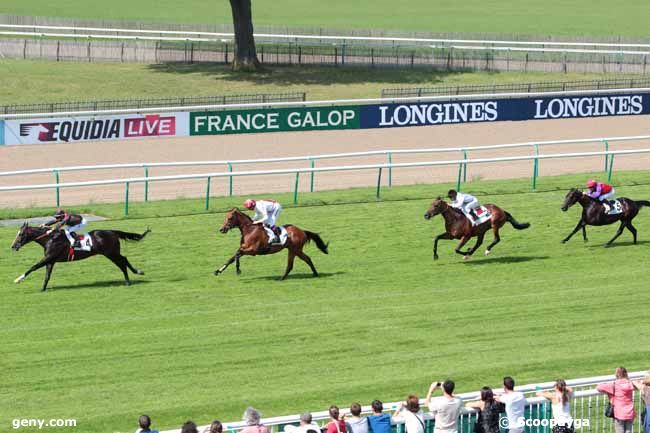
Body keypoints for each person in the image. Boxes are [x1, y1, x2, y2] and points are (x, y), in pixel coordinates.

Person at [597, 367, 636, 433]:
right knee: (629, 431)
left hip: (619, 413)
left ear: (616, 374)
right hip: (630, 412)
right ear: (626, 374)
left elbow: (599, 387)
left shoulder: (614, 385)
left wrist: (609, 393)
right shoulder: (630, 383)